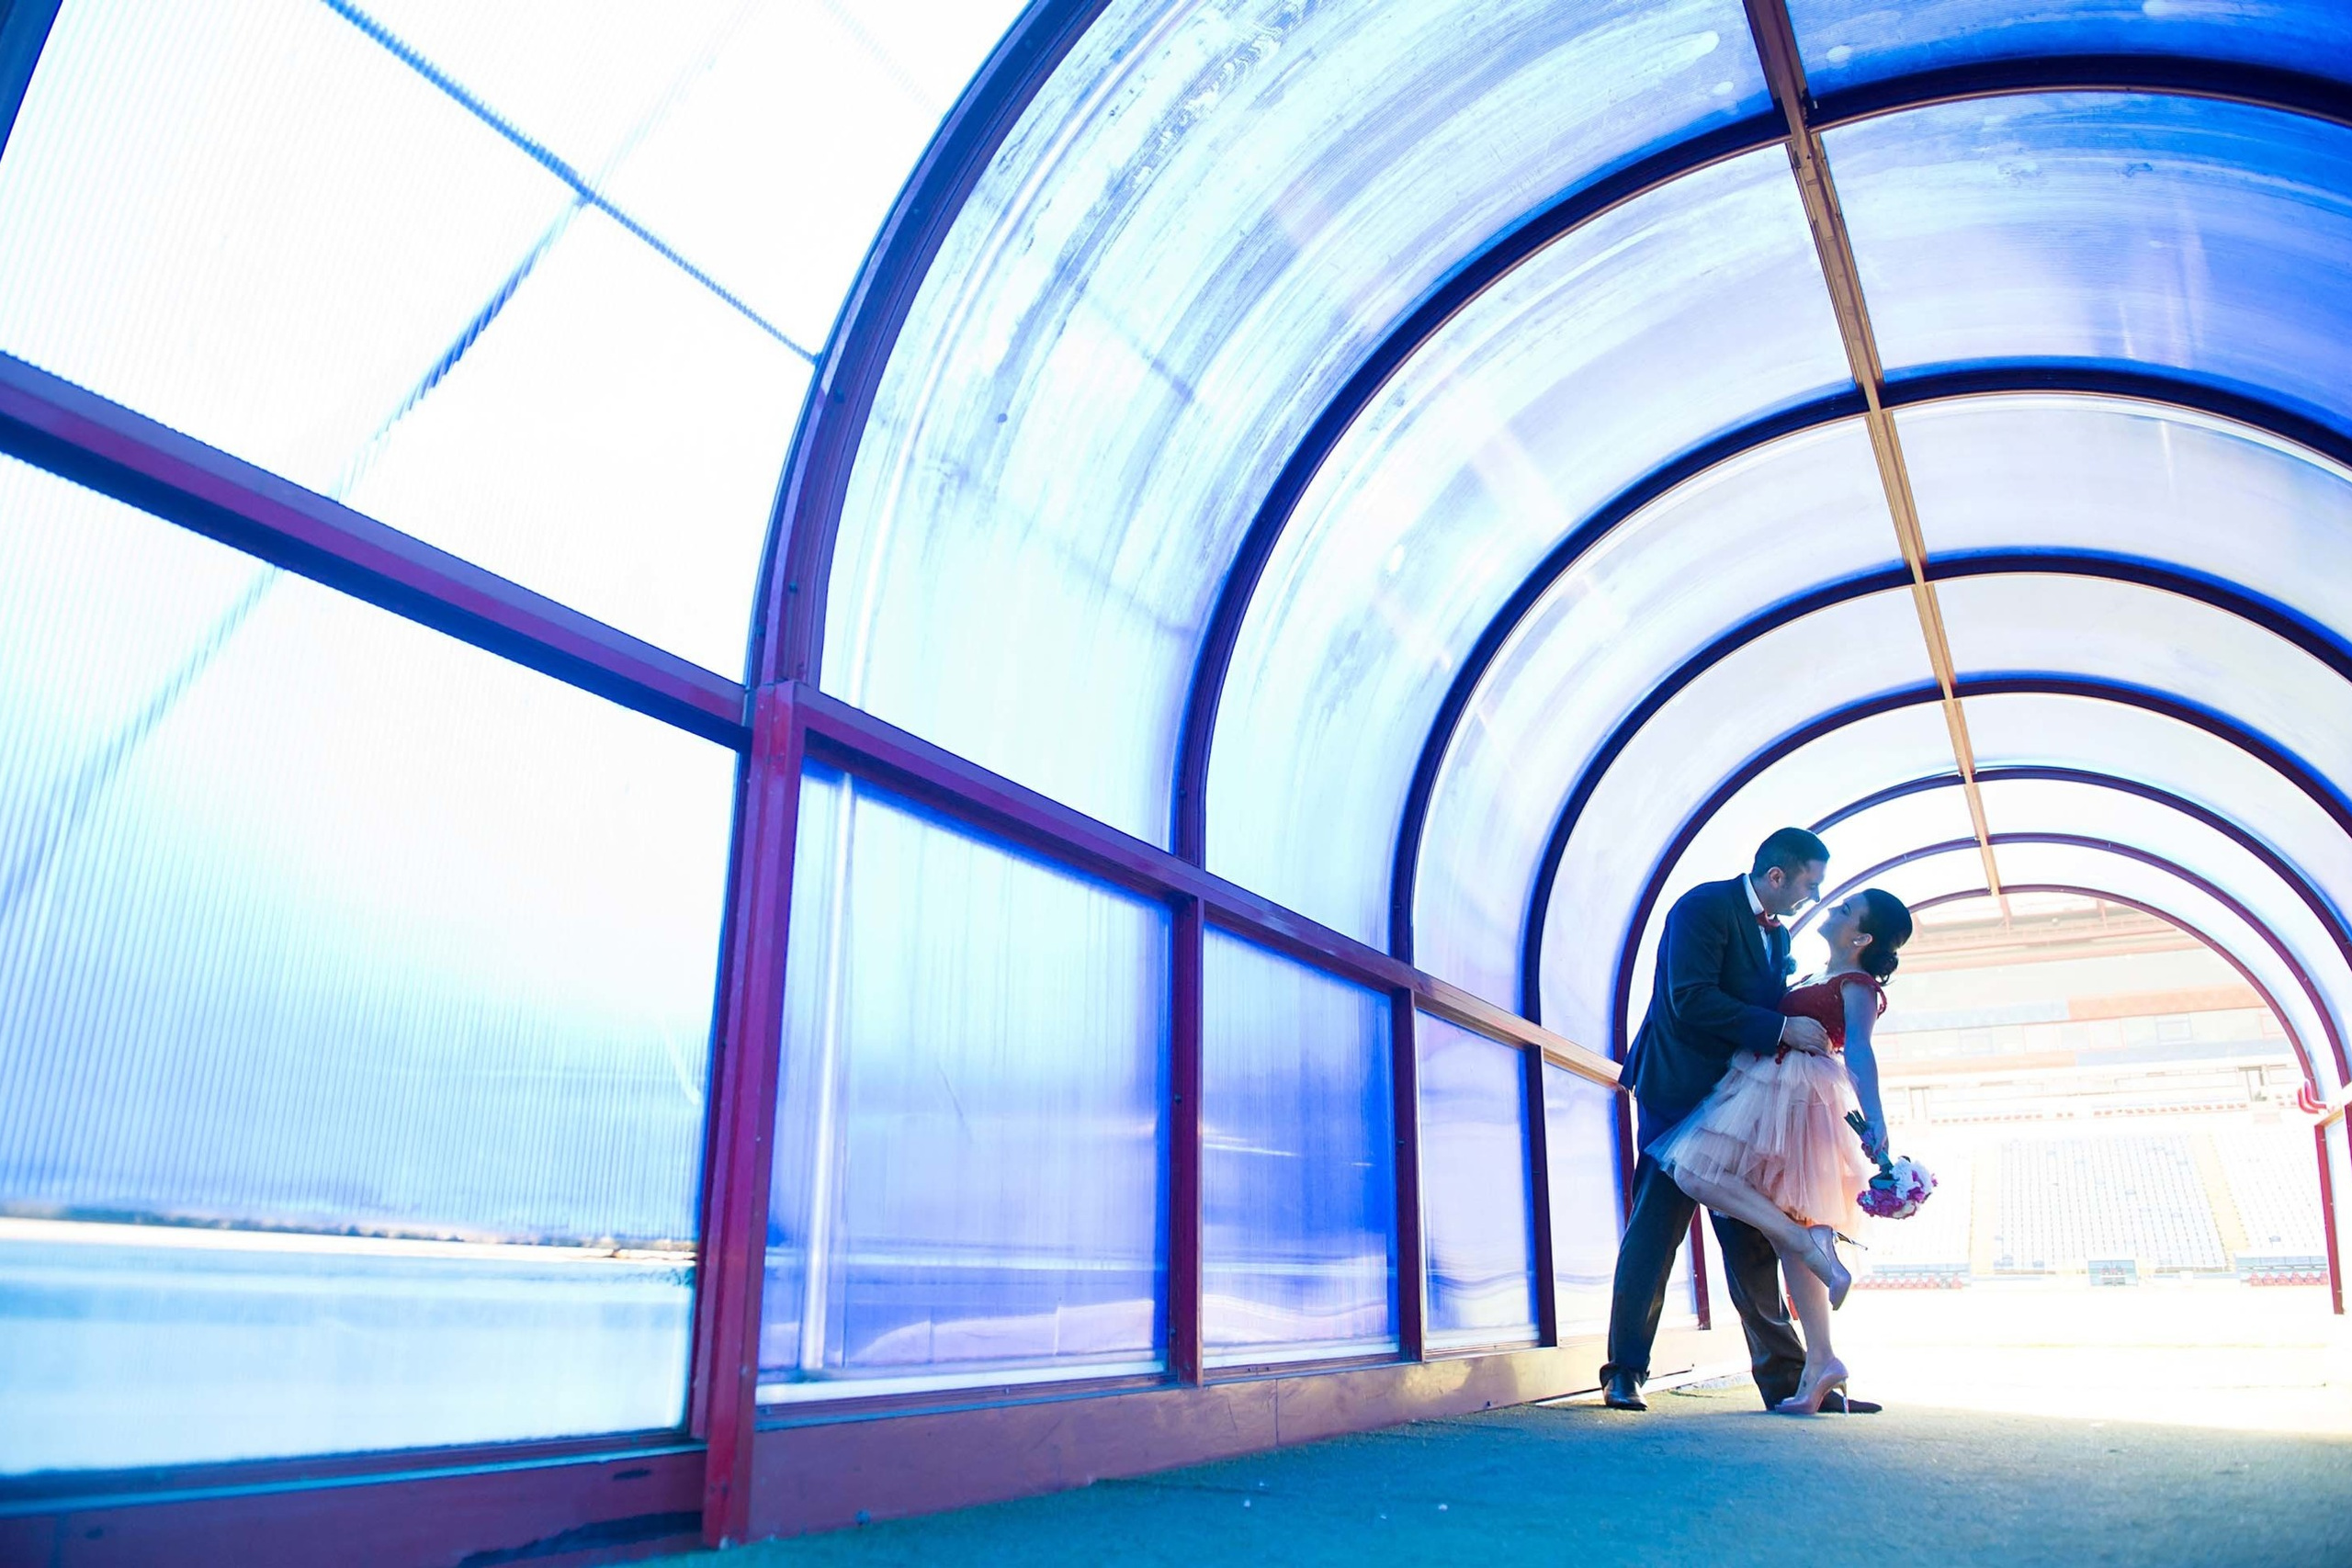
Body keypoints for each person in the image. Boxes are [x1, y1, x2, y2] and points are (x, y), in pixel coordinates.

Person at [1600, 827, 1835, 1414]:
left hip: (1738, 1098)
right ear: (1775, 876)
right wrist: (1781, 1030)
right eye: (1809, 884)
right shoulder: (1702, 906)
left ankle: (1788, 1382)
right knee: (1656, 1229)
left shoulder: (1777, 935)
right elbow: (1690, 998)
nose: (1813, 897)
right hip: (1676, 1089)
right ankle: (1624, 1372)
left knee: (1751, 1236)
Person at [1650, 886, 1912, 1414]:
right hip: (1771, 1086)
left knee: (1699, 1172)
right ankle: (1822, 1361)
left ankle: (1820, 1356)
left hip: (1801, 1097)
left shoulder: (1857, 983)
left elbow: (1859, 1049)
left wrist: (1877, 1122)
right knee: (1766, 1209)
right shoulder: (1812, 972)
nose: (1831, 907)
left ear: (1861, 937)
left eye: (1845, 911)